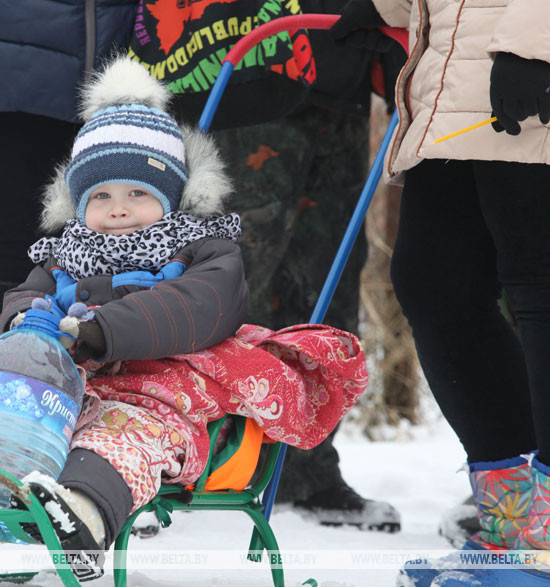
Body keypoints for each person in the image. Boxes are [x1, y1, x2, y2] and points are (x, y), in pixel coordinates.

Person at [0, 57, 369, 580]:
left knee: (116, 439)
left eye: (138, 194)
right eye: (100, 196)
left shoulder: (203, 249)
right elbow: (22, 296)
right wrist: (26, 324)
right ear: (79, 203)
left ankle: (82, 517)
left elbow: (199, 305)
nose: (118, 209)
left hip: (157, 392)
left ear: (171, 199)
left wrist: (102, 331)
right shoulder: (65, 251)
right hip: (62, 388)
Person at [128, 0, 405, 533]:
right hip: (250, 69)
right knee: (227, 281)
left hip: (342, 75)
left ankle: (307, 469)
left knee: (329, 281)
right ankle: (167, 461)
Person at [331, 0, 550, 585]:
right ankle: (523, 524)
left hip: (529, 83)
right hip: (449, 92)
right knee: (436, 286)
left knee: (539, 291)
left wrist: (538, 41)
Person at [0, 0, 139, 342]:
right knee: (24, 229)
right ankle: (9, 367)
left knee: (125, 228)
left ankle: (82, 368)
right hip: (22, 50)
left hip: (117, 51)